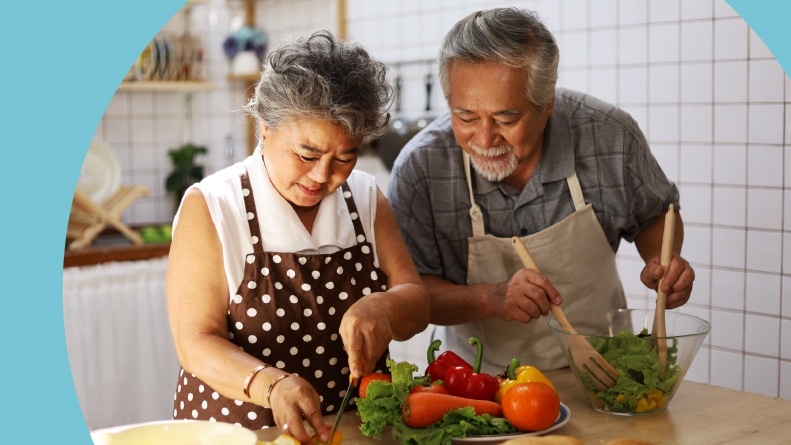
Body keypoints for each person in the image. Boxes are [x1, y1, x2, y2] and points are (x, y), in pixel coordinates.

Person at [387, 8, 695, 376]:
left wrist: (664, 262)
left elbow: (655, 214)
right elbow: (413, 295)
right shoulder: (421, 168)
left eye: (506, 118)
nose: (484, 139)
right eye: (465, 117)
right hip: (479, 385)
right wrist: (492, 298)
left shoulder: (608, 136)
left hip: (604, 373)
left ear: (547, 103)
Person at [166, 30, 430, 443]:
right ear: (265, 127)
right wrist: (269, 384)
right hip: (239, 434)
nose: (323, 175)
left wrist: (384, 307)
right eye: (306, 155)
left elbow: (416, 301)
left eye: (345, 156)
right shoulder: (214, 205)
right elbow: (195, 342)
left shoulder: (364, 197)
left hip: (353, 433)